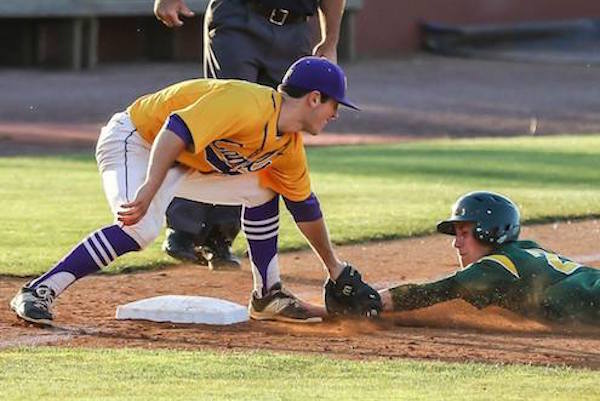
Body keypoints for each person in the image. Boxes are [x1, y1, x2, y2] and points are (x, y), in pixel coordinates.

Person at [10, 57, 382, 326]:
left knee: (264, 190)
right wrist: (149, 188)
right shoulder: (245, 103)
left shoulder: (288, 146)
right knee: (140, 229)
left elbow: (305, 209)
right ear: (314, 98)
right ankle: (38, 290)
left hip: (184, 162)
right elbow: (175, 130)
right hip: (137, 140)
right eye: (335, 105)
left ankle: (268, 295)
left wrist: (335, 268)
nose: (335, 115)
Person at [153, 0, 346, 269]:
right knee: (226, 121)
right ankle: (183, 226)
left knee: (273, 136)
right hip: (239, 18)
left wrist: (331, 39)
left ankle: (220, 237)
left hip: (295, 30)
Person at [379, 191, 600, 324]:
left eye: (465, 233)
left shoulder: (496, 266)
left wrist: (369, 300)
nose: (457, 244)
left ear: (489, 231)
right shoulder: (524, 250)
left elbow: (435, 291)